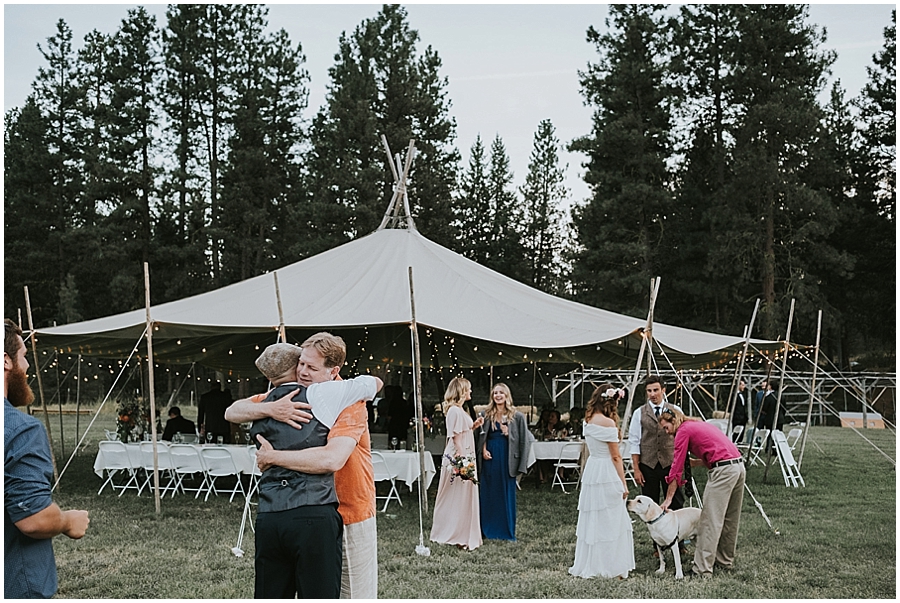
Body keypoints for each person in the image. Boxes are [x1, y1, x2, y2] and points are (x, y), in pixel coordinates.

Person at [224, 336, 381, 599]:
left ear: (333, 371)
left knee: (353, 595)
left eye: (311, 368)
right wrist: (273, 408)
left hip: (350, 509)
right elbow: (233, 411)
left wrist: (273, 457)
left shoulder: (350, 400)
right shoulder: (291, 393)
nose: (303, 372)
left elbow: (331, 459)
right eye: (301, 364)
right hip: (308, 511)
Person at [4, 319, 90, 598]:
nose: (27, 367)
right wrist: (67, 521)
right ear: (5, 361)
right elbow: (34, 519)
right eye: (24, 356)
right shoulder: (19, 429)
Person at [659, 407, 745, 578]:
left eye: (666, 427)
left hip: (722, 472)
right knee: (730, 519)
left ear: (674, 421)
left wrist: (668, 499)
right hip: (738, 466)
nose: (666, 432)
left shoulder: (682, 431)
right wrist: (694, 463)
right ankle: (724, 561)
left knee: (709, 521)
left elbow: (675, 470)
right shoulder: (697, 424)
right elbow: (715, 454)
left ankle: (701, 569)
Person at [569, 384, 634, 579]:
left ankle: (594, 562)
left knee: (595, 517)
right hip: (606, 470)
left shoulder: (587, 420)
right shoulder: (608, 424)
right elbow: (616, 457)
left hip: (593, 469)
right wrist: (623, 483)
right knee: (610, 518)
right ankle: (610, 565)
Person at [627, 375, 685, 554]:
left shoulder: (674, 409)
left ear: (663, 390)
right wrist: (636, 469)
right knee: (649, 505)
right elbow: (634, 441)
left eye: (655, 390)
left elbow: (682, 435)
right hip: (648, 464)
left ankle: (679, 544)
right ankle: (657, 546)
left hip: (670, 463)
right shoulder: (640, 412)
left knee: (676, 502)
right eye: (649, 391)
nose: (652, 394)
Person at [430, 377, 484, 551]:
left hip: (464, 454)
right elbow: (455, 437)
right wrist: (461, 459)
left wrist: (474, 426)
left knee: (463, 496)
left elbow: (463, 431)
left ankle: (462, 531)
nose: (470, 392)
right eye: (468, 389)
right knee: (454, 495)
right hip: (459, 455)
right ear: (461, 391)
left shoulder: (460, 410)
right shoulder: (454, 410)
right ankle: (450, 532)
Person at [474, 383, 531, 541]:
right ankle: (487, 529)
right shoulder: (485, 414)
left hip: (507, 458)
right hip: (490, 456)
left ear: (507, 395)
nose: (498, 395)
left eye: (501, 393)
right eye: (495, 393)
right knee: (489, 493)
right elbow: (480, 434)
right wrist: (483, 449)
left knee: (506, 494)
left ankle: (506, 531)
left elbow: (524, 441)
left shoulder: (517, 416)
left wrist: (509, 434)